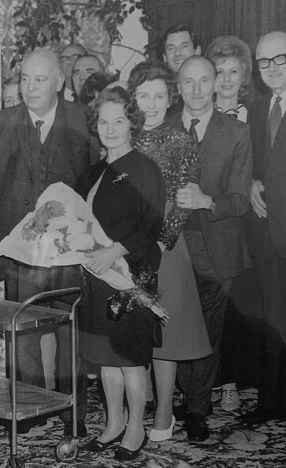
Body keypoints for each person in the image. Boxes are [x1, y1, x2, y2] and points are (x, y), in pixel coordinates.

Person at [0, 48, 91, 436]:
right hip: (20, 251)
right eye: (25, 79)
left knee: (71, 334)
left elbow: (94, 181)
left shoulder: (82, 122)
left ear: (58, 82)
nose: (30, 88)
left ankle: (74, 414)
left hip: (68, 250)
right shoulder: (2, 124)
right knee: (25, 333)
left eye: (39, 79)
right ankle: (31, 410)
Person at [78, 86, 164, 461]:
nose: (110, 129)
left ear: (132, 124)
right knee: (105, 356)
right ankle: (113, 423)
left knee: (129, 358)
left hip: (130, 275)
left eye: (119, 121)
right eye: (103, 121)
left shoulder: (145, 169)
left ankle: (136, 428)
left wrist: (114, 250)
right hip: (95, 277)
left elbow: (151, 226)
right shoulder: (92, 171)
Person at [170, 56, 252, 441]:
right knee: (174, 322)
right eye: (189, 82)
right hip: (171, 246)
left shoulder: (236, 132)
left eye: (205, 81)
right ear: (179, 86)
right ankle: (183, 395)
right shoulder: (162, 126)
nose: (198, 90)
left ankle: (197, 407)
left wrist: (205, 200)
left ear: (216, 83)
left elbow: (240, 200)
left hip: (217, 246)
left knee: (208, 331)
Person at [128, 61, 211, 442]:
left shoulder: (180, 138)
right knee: (131, 331)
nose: (153, 103)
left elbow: (184, 199)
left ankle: (164, 415)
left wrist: (161, 241)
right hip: (126, 242)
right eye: (145, 95)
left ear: (170, 97)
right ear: (133, 98)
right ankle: (134, 412)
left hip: (166, 246)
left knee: (167, 336)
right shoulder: (122, 135)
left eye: (160, 95)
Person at [206, 34, 253, 412]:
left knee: (238, 314)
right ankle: (214, 382)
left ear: (244, 77)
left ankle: (234, 380)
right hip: (210, 226)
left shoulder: (256, 116)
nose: (225, 80)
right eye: (218, 71)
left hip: (252, 228)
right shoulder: (198, 115)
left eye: (233, 72)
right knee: (211, 312)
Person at [242, 30, 286, 425]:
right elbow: (256, 165)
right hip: (266, 235)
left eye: (280, 59)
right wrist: (253, 181)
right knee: (272, 317)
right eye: (264, 62)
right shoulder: (256, 110)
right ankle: (272, 399)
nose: (271, 68)